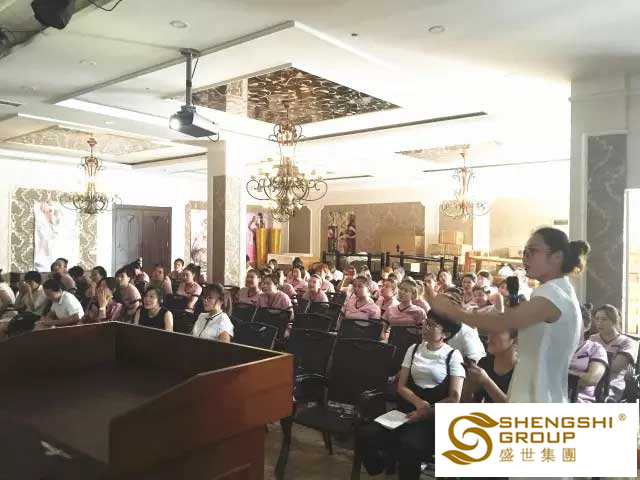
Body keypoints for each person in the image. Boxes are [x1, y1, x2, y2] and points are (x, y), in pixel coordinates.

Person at [427, 227, 590, 403]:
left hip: (538, 397)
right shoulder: (559, 291)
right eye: (524, 252)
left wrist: (450, 310)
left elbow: (501, 323)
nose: (525, 257)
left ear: (556, 256)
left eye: (533, 251)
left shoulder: (554, 294)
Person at [357, 312, 465, 480]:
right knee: (365, 434)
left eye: (432, 325)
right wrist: (419, 403)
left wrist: (424, 412)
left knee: (410, 447)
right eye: (426, 323)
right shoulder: (413, 349)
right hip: (405, 412)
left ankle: (400, 467)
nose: (425, 327)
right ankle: (381, 466)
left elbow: (454, 397)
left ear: (446, 334)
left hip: (432, 418)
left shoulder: (453, 355)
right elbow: (401, 386)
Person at [590, 304, 637, 402]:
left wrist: (592, 362)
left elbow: (615, 367)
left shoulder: (627, 342)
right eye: (597, 319)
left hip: (611, 387)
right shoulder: (592, 339)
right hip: (590, 382)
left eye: (604, 319)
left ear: (614, 321)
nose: (599, 323)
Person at [461, 329, 517, 403]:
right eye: (490, 331)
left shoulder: (523, 370)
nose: (489, 335)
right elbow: (468, 401)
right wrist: (468, 386)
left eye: (497, 332)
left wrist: (487, 382)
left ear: (515, 340)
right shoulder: (485, 362)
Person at [569, 304, 608, 403]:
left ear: (587, 326)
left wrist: (560, 376)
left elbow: (591, 379)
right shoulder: (553, 347)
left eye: (575, 321)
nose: (569, 325)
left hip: (580, 400)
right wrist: (578, 375)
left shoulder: (595, 349)